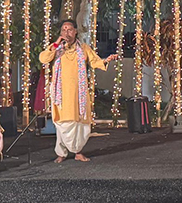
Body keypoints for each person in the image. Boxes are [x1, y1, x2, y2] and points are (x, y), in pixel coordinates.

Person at [38, 19, 121, 163]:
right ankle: (61, 153)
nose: (66, 33)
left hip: (78, 92)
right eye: (63, 30)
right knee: (62, 124)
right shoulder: (56, 48)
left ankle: (78, 152)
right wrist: (57, 42)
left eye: (69, 29)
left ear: (75, 31)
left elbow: (95, 61)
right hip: (61, 93)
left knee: (79, 123)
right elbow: (44, 58)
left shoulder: (83, 48)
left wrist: (106, 60)